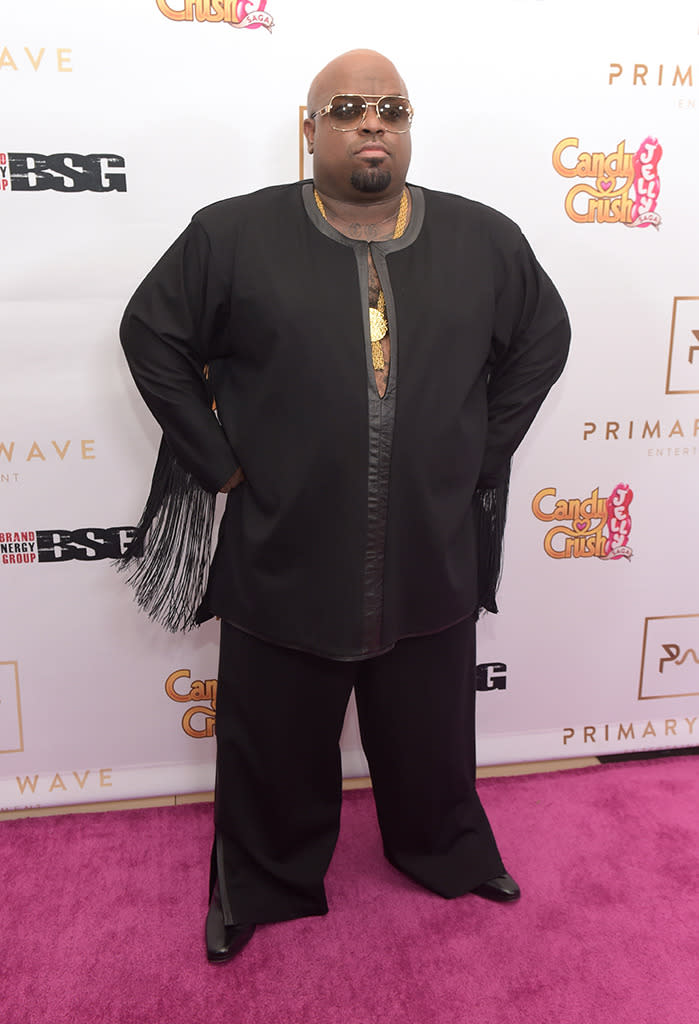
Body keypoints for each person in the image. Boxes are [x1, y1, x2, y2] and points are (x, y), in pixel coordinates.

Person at [119, 49, 570, 964]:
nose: (373, 123)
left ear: (407, 128)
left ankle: (444, 848)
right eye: (351, 108)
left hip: (428, 541)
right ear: (310, 127)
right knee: (271, 733)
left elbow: (542, 338)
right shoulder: (231, 235)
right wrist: (220, 464)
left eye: (392, 109)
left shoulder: (485, 239)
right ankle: (262, 881)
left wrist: (479, 455)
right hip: (288, 537)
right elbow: (151, 334)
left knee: (432, 728)